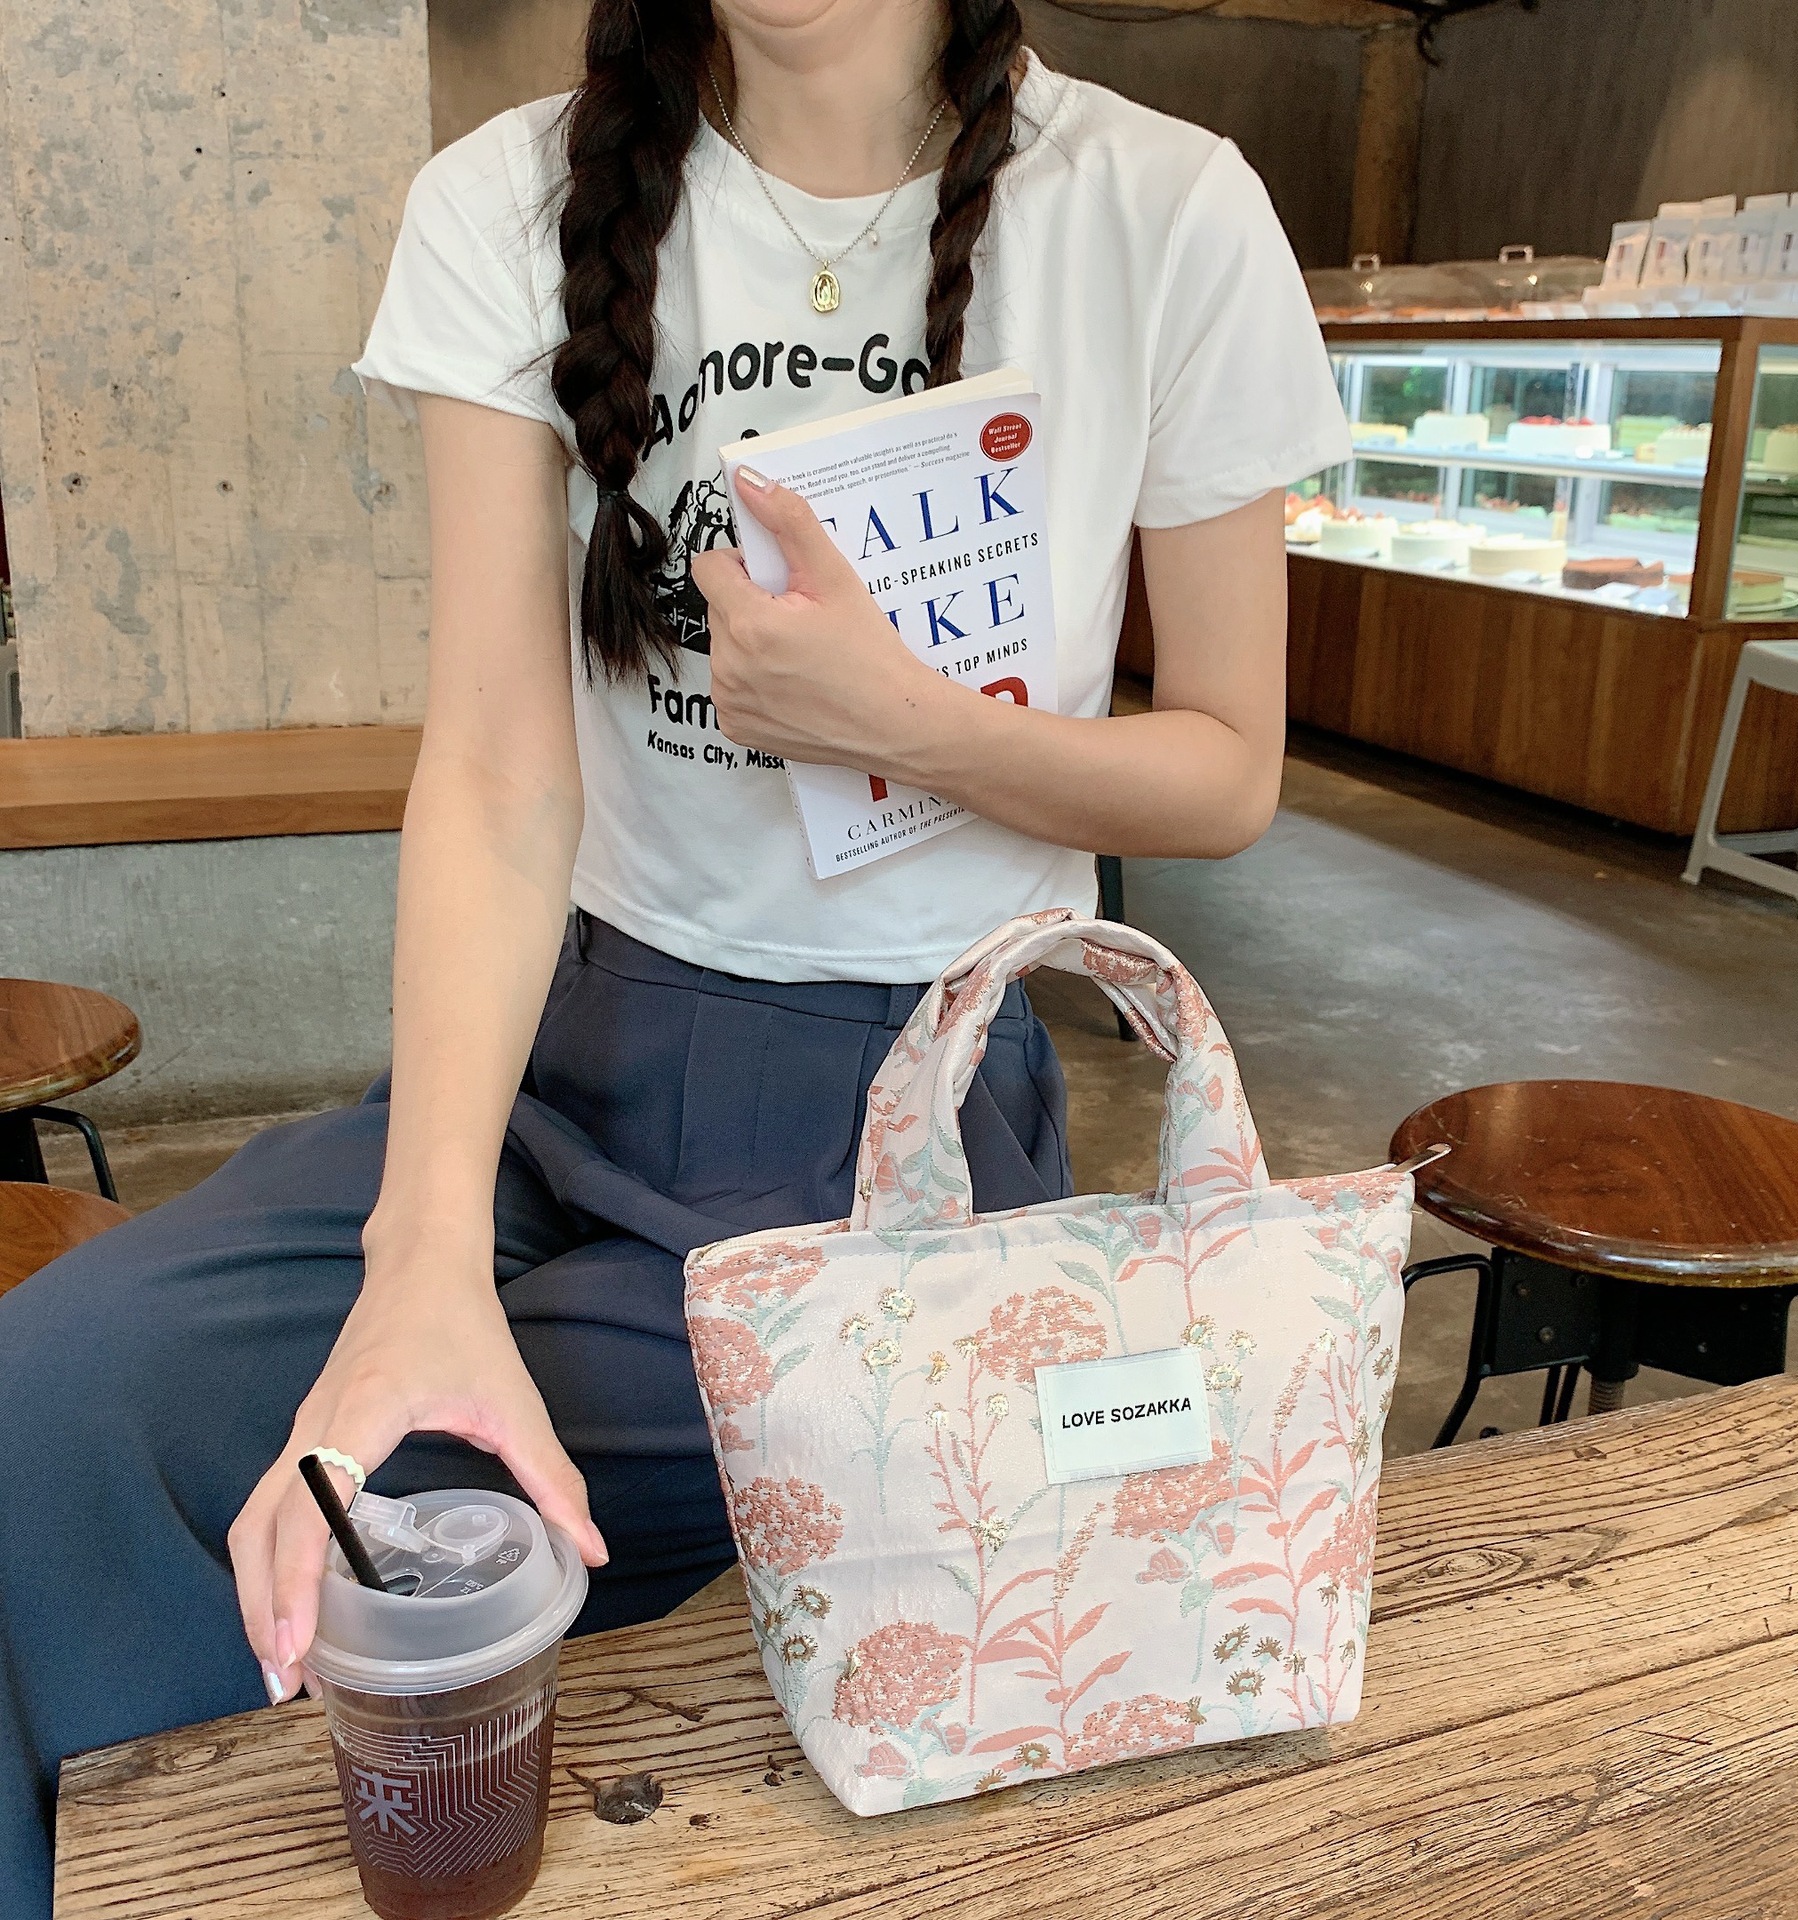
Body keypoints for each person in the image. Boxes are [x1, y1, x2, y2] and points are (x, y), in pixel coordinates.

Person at [0, 0, 1349, 1908]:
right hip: (561, 1046)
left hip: (908, 1103)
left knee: (408, 1510)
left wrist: (910, 725)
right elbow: (495, 772)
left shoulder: (1164, 207)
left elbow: (1229, 768)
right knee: (52, 1403)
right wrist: (420, 1254)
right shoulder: (509, 197)